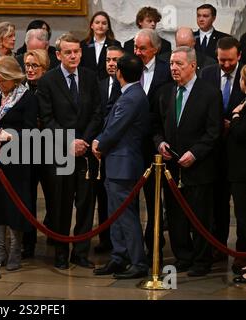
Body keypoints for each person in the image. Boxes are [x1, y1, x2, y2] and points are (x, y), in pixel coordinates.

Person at [153, 46, 222, 277]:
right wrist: (160, 143)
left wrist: (195, 153)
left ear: (192, 66)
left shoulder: (210, 93)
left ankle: (202, 261)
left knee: (200, 216)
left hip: (199, 167)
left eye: (179, 64)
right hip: (172, 169)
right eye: (172, 63)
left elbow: (214, 131)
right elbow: (156, 127)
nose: (174, 68)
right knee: (175, 217)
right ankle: (183, 256)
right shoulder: (165, 92)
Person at [37, 33, 103, 270]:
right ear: (58, 55)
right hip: (60, 153)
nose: (73, 55)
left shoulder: (90, 77)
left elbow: (98, 112)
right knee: (61, 205)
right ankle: (61, 252)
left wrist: (83, 141)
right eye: (68, 52)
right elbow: (47, 119)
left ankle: (81, 252)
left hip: (85, 153)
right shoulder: (48, 81)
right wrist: (69, 142)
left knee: (86, 205)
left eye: (76, 51)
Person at [92, 54, 149, 279]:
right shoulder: (131, 94)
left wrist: (99, 143)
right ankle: (119, 256)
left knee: (126, 215)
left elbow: (115, 128)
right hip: (117, 162)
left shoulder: (131, 97)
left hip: (123, 164)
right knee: (115, 213)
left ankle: (137, 261)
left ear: (119, 74)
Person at [0, 56, 38, 271]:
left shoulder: (27, 97)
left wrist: (11, 135)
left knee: (15, 205)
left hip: (18, 159)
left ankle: (16, 251)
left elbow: (32, 130)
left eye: (2, 79)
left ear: (13, 78)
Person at [200, 36, 245, 263]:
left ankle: (240, 253)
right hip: (214, 150)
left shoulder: (245, 74)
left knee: (241, 207)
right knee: (217, 203)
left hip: (239, 150)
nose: (226, 65)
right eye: (221, 60)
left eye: (230, 60)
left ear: (238, 56)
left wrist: (235, 122)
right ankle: (217, 246)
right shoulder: (207, 73)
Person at [134, 28, 172, 265]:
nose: (137, 52)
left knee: (154, 200)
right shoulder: (128, 67)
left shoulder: (166, 72)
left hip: (155, 147)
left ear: (156, 49)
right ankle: (131, 247)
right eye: (136, 47)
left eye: (142, 48)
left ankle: (155, 244)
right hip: (130, 147)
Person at [93, 45, 124, 255]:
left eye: (115, 60)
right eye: (108, 60)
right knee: (102, 197)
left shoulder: (127, 87)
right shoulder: (100, 85)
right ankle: (105, 238)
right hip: (99, 150)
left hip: (118, 150)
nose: (111, 64)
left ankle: (119, 241)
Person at [21, 49, 51, 259]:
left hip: (49, 149)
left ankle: (55, 237)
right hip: (25, 151)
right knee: (27, 197)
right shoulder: (22, 89)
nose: (30, 70)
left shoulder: (50, 88)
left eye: (35, 66)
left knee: (53, 196)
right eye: (28, 65)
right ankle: (28, 243)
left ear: (45, 68)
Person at [227, 65, 246, 277]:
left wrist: (234, 117)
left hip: (243, 172)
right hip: (239, 171)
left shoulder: (242, 107)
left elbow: (241, 133)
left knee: (243, 218)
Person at [80, 11, 121, 80]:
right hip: (87, 84)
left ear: (108, 27)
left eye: (104, 23)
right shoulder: (83, 44)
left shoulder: (115, 44)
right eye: (97, 22)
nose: (100, 26)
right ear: (92, 25)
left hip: (107, 84)